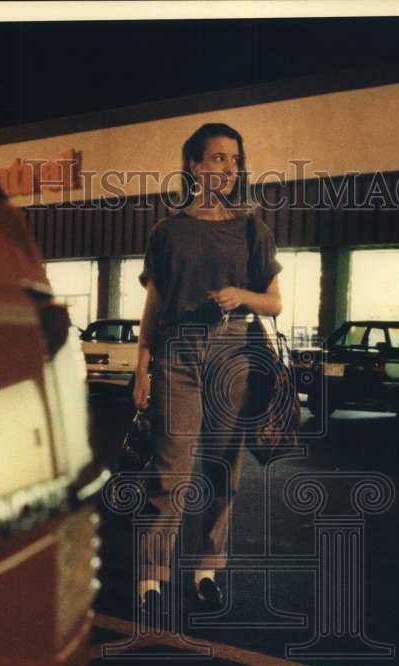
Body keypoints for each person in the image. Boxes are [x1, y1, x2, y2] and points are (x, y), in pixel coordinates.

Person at [134, 122, 283, 619]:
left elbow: (276, 303)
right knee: (170, 471)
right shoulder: (167, 230)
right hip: (176, 354)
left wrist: (242, 296)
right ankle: (152, 578)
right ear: (194, 165)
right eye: (217, 158)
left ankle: (206, 572)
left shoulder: (252, 230)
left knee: (222, 469)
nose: (227, 168)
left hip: (233, 353)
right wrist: (141, 369)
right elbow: (153, 306)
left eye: (234, 160)